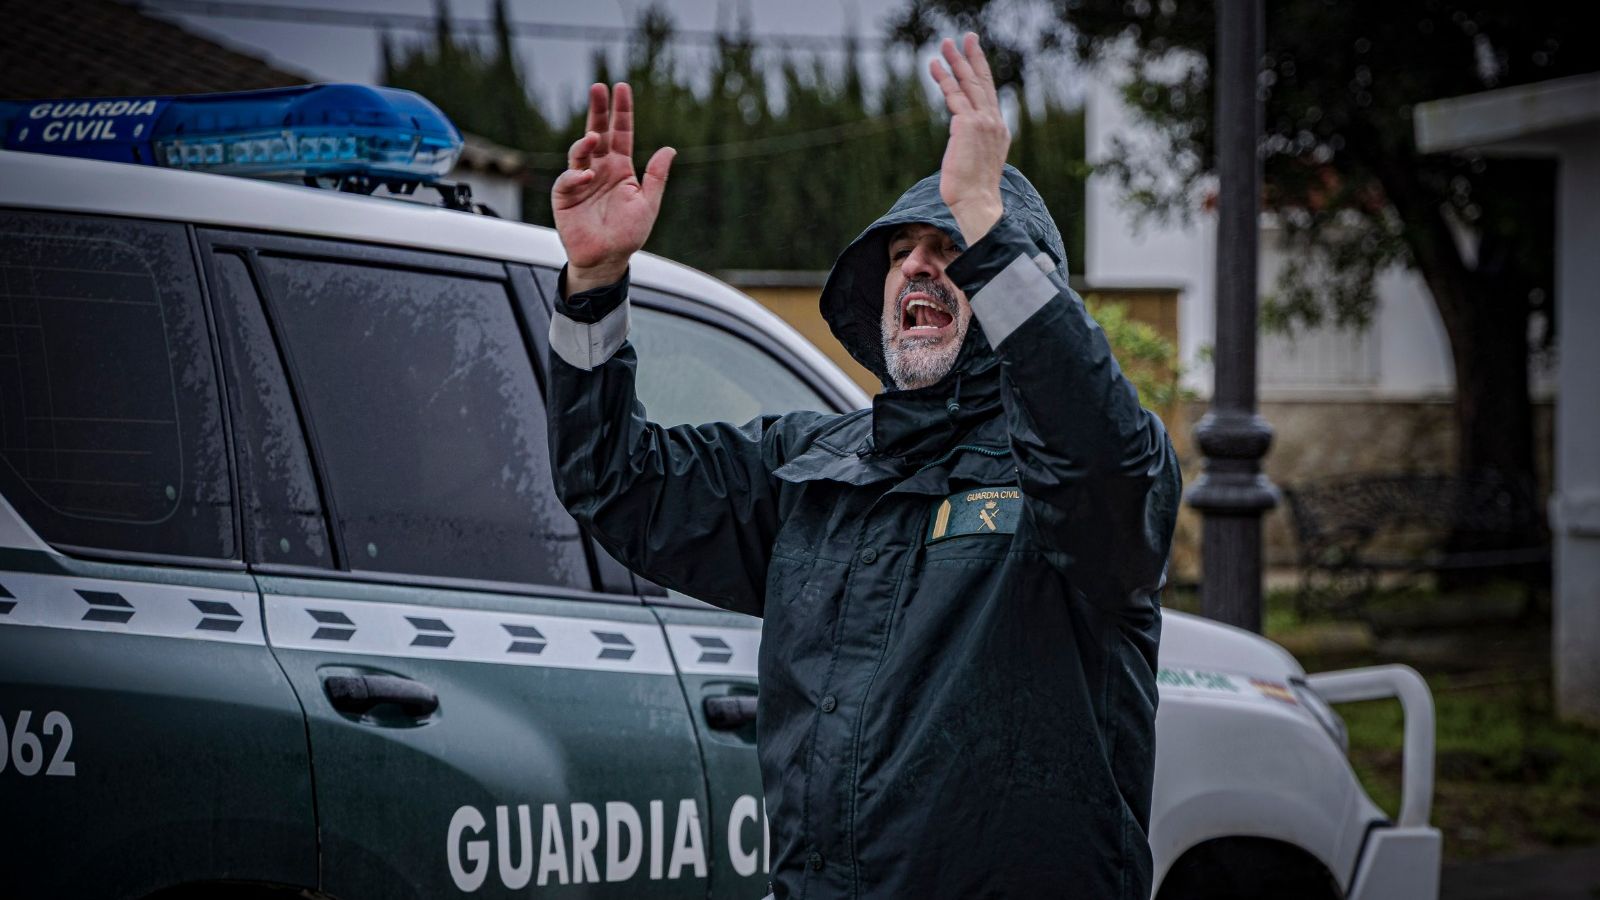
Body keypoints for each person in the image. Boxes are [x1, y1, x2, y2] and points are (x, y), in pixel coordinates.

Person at [546, 33, 1181, 900]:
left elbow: (1097, 452)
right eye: (897, 253)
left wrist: (988, 220)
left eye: (949, 247)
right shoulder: (809, 466)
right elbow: (613, 481)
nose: (917, 263)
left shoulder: (1068, 484)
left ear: (1004, 278)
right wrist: (597, 279)